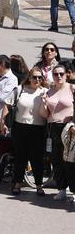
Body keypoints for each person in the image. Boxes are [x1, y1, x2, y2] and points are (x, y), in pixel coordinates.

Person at [9, 69, 47, 196]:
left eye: (40, 78)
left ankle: (39, 186)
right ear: (29, 77)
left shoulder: (45, 92)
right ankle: (18, 184)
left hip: (38, 128)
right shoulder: (20, 89)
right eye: (35, 77)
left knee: (37, 158)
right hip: (20, 127)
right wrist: (2, 122)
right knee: (20, 157)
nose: (37, 80)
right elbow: (7, 104)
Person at [39, 64, 75, 201]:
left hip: (69, 127)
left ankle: (74, 190)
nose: (59, 76)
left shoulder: (72, 88)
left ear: (66, 75)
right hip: (53, 127)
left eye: (61, 74)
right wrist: (43, 102)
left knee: (71, 161)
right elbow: (44, 114)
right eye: (55, 74)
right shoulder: (49, 91)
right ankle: (61, 189)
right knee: (57, 159)